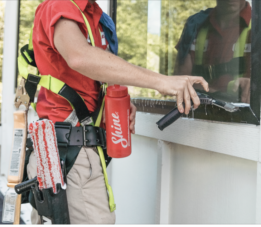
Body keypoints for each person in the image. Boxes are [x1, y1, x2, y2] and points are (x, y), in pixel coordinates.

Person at [27, 0, 209, 224]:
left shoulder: (92, 14)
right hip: (67, 154)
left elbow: (89, 74)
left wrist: (114, 101)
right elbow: (79, 56)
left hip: (75, 152)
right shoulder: (61, 5)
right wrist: (162, 82)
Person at [175, 0, 251, 103]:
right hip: (199, 111)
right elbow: (179, 82)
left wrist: (256, 87)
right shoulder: (195, 26)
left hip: (244, 116)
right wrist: (217, 97)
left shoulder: (257, 25)